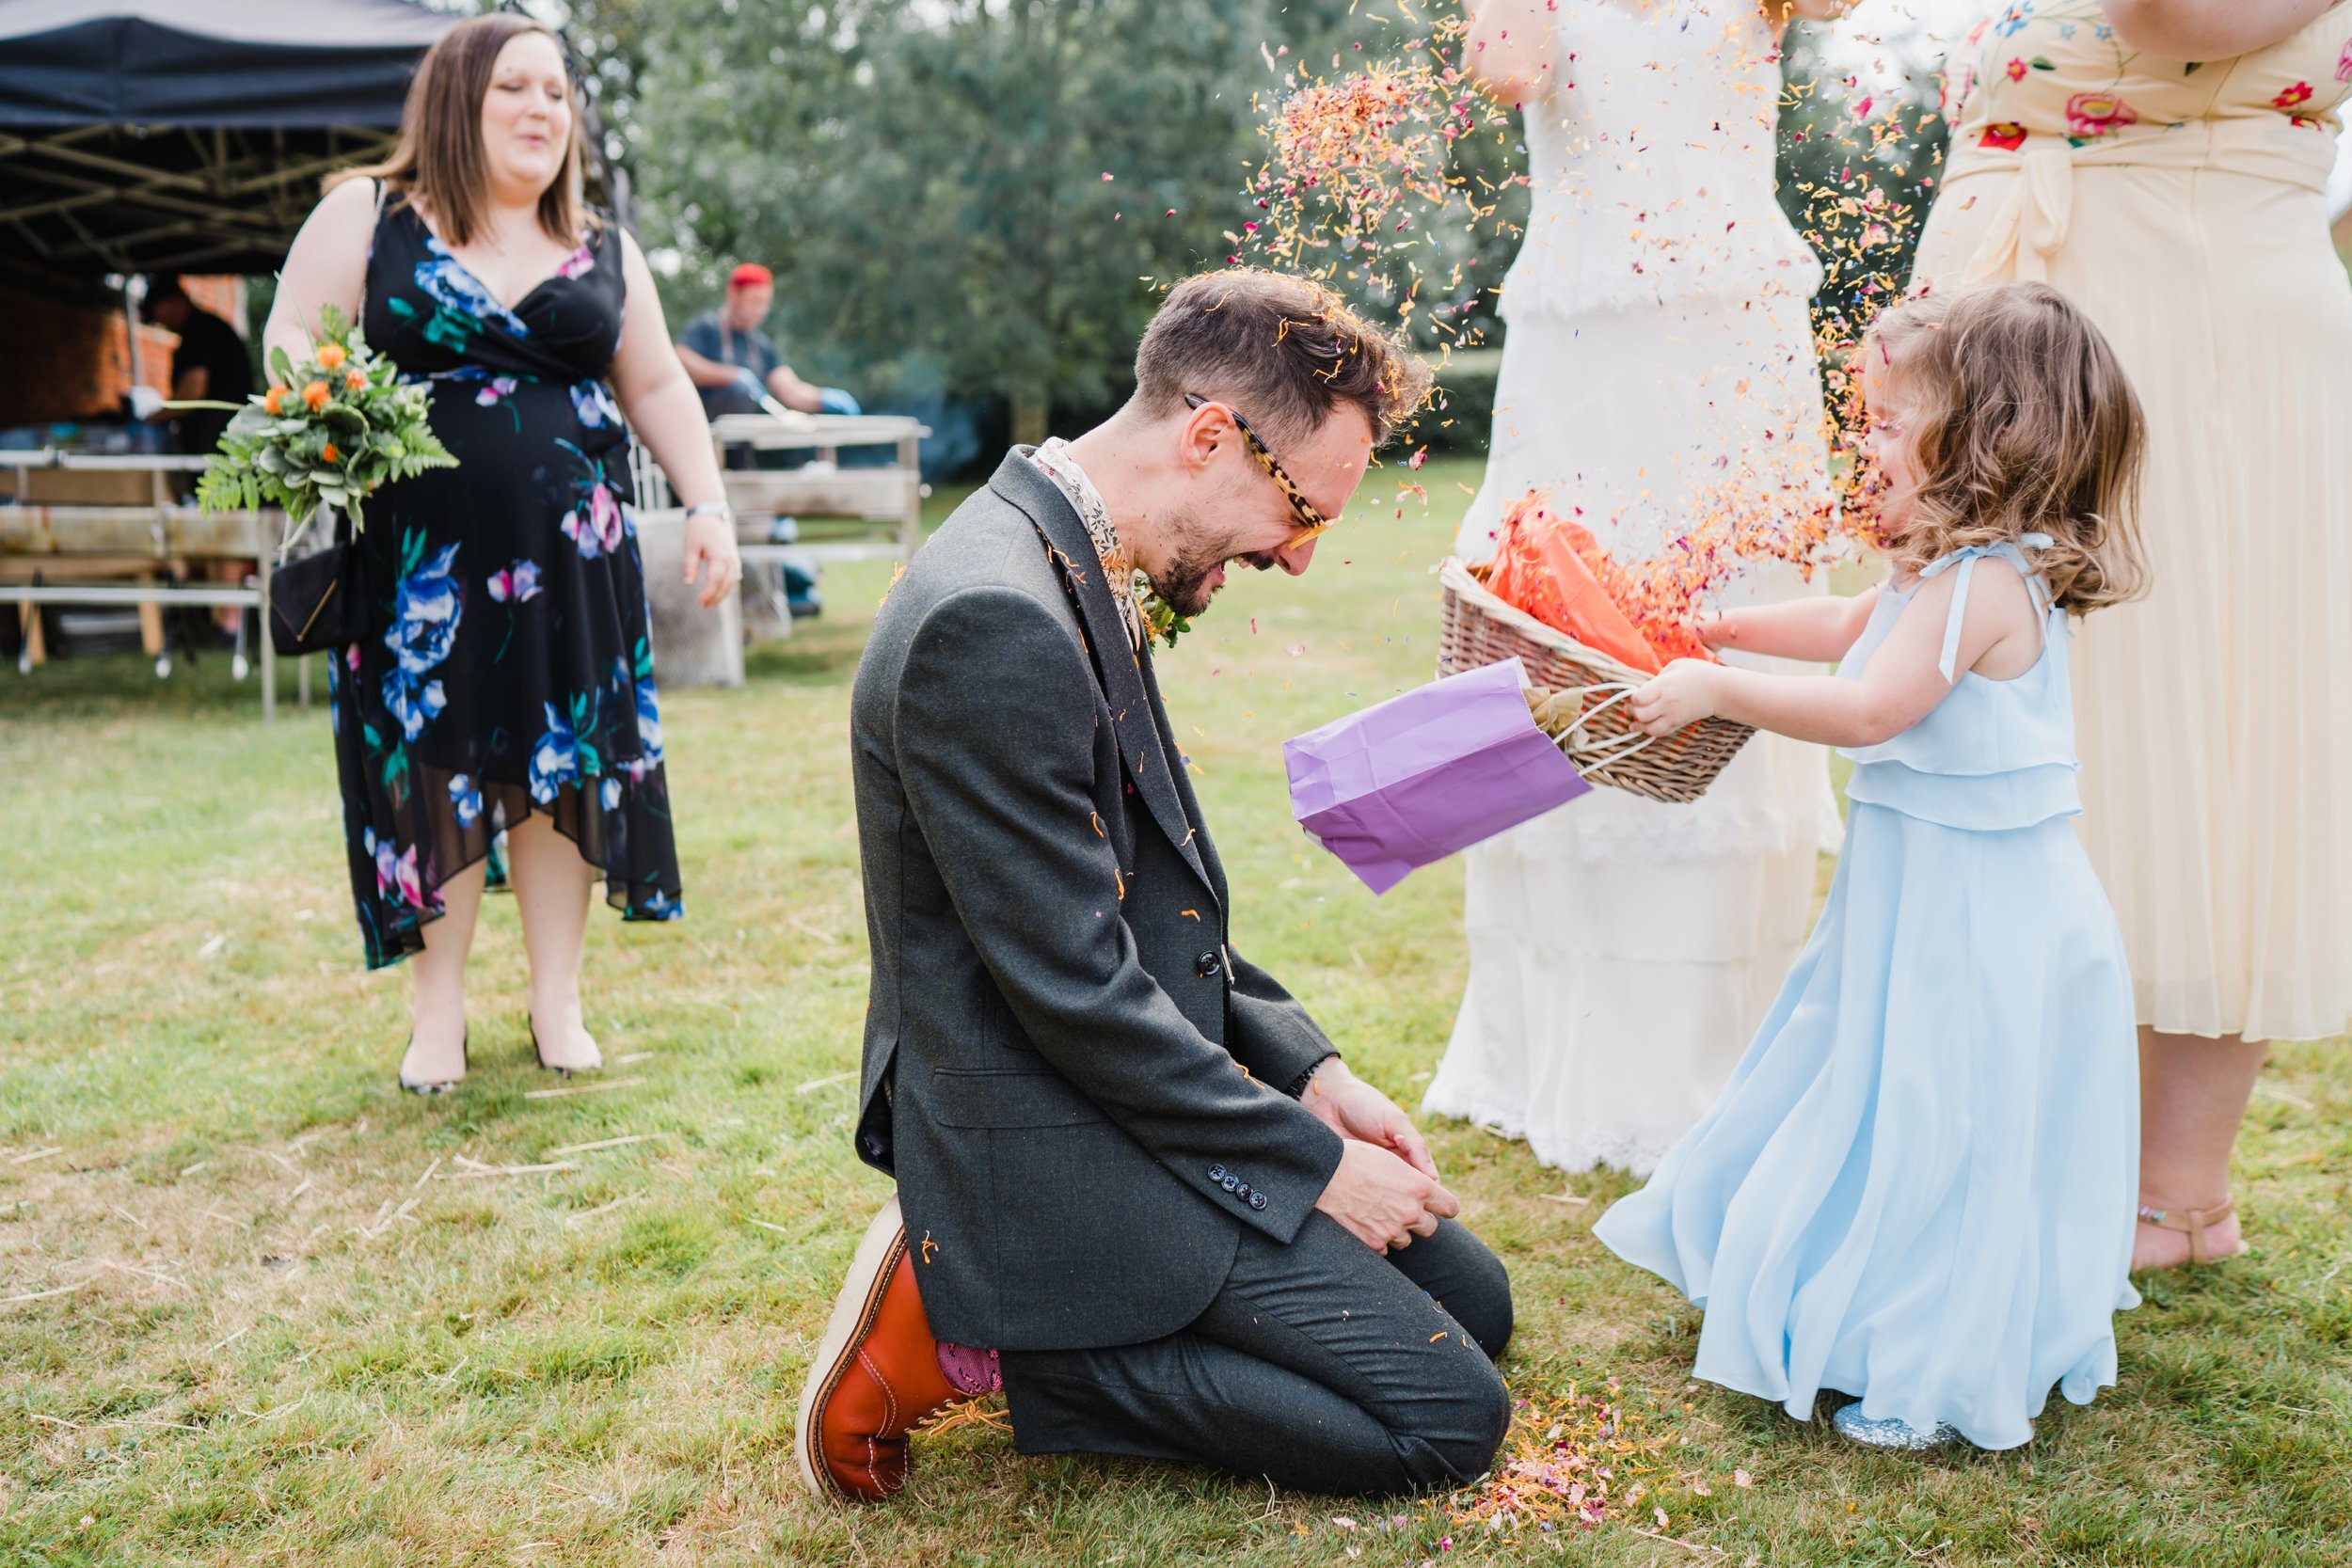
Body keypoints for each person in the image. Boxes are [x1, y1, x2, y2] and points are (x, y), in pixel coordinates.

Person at [797, 270, 1513, 1502]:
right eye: (1301, 511)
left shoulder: (1075, 552)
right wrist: (1311, 1162)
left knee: (1471, 1299)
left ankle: (1055, 1320)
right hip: (1045, 1127)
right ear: (1206, 437)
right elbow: (1076, 993)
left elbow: (1146, 909)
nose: (1297, 559)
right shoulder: (996, 614)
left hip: (1103, 1073)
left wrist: (1314, 1071)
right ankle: (988, 1343)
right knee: (1446, 1416)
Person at [1594, 282, 2149, 1451]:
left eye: (1893, 421)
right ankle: (1839, 1298)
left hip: (1981, 908)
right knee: (1874, 1091)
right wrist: (1730, 628)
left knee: (1941, 1118)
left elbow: (1867, 709)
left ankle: (1930, 1354)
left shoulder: (1989, 581)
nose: (1870, 440)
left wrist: (1711, 689)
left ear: (1987, 433)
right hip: (1921, 896)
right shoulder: (1936, 572)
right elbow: (1852, 621)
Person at [1907, 0, 2352, 1271]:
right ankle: (2114, 1178)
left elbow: (2181, 15)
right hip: (2084, 333)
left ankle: (2170, 1195)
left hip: (2174, 339)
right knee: (2043, 734)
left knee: (2197, 747)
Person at [264, 14, 740, 1091]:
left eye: (557, 95)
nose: (542, 110)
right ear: (454, 102)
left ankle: (554, 1000)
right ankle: (437, 1016)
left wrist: (707, 503)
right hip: (415, 567)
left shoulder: (605, 249)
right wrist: (317, 397)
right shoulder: (369, 216)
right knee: (432, 772)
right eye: (514, 89)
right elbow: (293, 328)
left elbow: (658, 383)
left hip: (572, 566)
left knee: (560, 766)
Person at [1421, 0, 1849, 1178]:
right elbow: (1506, 68)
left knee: (1732, 612)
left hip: (1732, 323)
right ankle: (1555, 1048)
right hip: (1584, 327)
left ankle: (1715, 1045)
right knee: (1556, 623)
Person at [142, 278, 258, 636]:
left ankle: (229, 622)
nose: (160, 325)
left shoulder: (202, 335)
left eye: (158, 317)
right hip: (229, 445)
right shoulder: (211, 330)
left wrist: (154, 416)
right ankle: (228, 619)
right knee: (225, 527)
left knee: (226, 528)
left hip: (223, 450)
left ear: (173, 301)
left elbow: (194, 389)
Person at [674, 262, 852, 420]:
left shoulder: (761, 346)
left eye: (765, 303)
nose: (761, 310)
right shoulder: (707, 328)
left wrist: (822, 397)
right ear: (734, 295)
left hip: (740, 445)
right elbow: (680, 359)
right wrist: (731, 375)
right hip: (704, 434)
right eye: (755, 301)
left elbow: (790, 390)